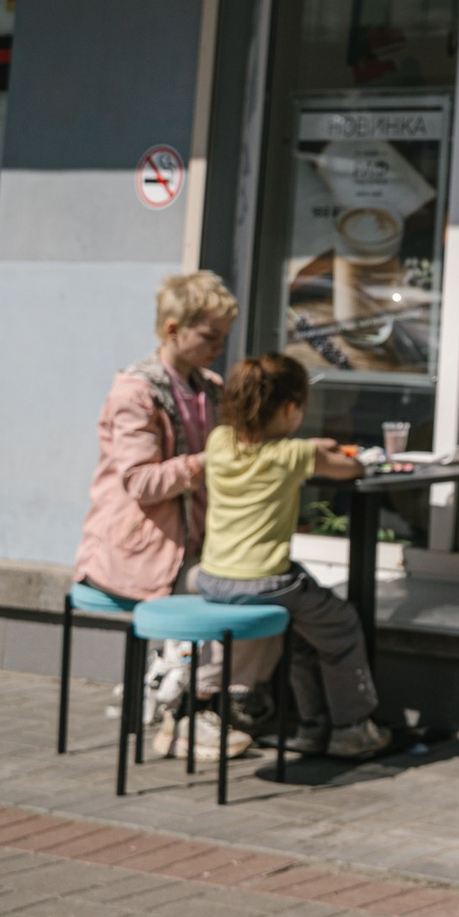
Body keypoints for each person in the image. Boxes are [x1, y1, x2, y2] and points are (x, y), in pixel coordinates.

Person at [74, 269, 251, 760]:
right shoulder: (135, 392)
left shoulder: (209, 388)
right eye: (209, 336)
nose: (219, 347)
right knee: (231, 592)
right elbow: (141, 483)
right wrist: (204, 463)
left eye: (223, 337)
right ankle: (188, 710)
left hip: (192, 545)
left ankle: (196, 701)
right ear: (174, 330)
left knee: (257, 585)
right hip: (137, 553)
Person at [196, 354, 392, 759]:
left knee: (303, 634)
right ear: (290, 409)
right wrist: (327, 453)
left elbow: (281, 450)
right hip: (266, 582)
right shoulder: (292, 456)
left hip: (213, 578)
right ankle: (350, 727)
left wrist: (308, 447)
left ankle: (312, 725)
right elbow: (349, 470)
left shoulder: (219, 441)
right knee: (341, 624)